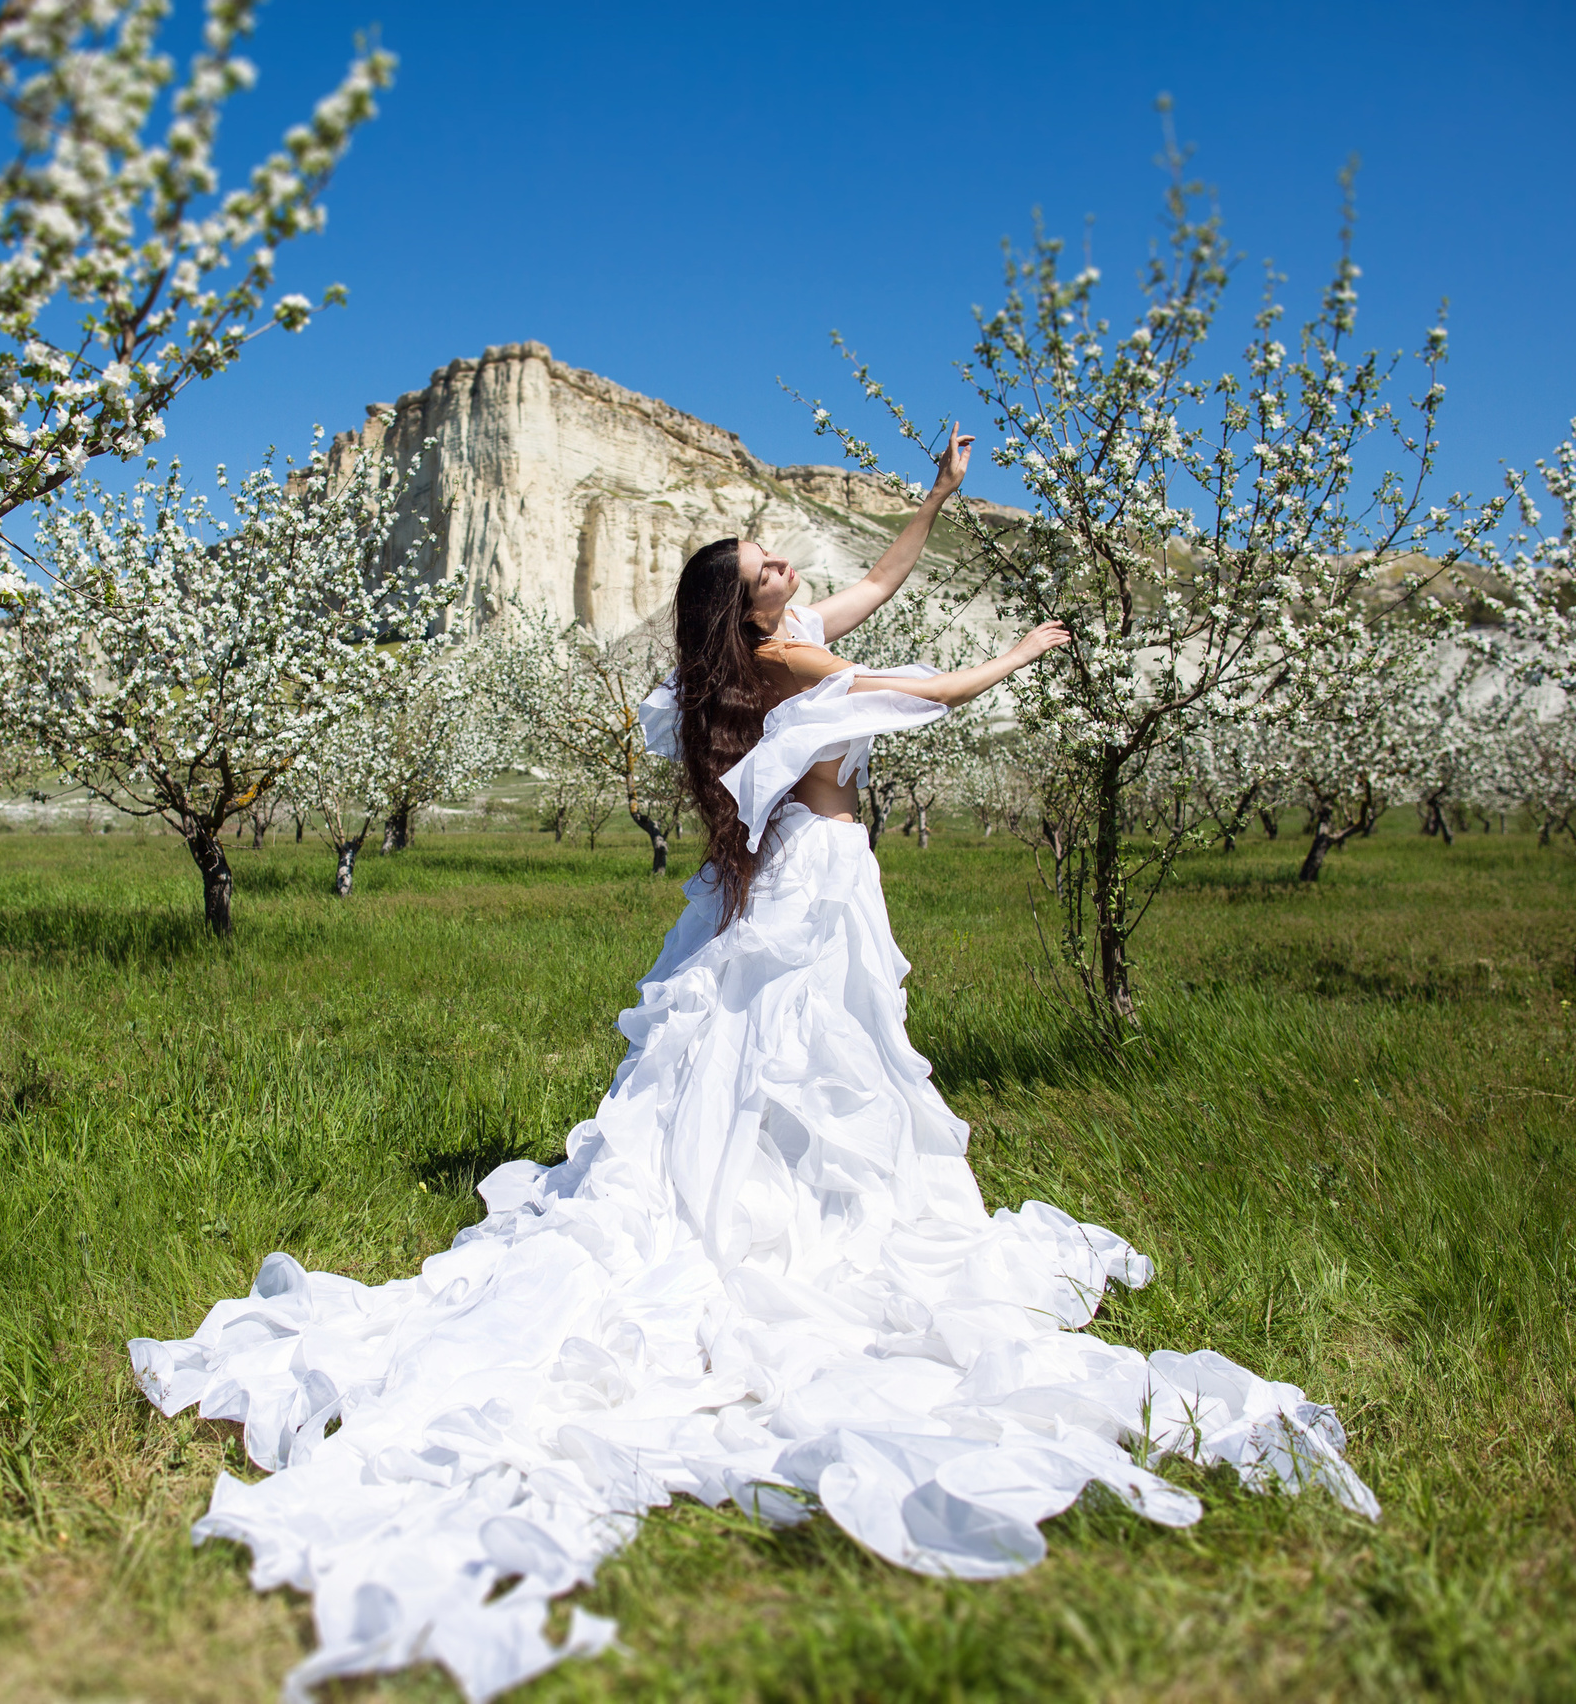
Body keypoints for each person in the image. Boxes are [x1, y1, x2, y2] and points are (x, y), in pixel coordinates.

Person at [129, 427, 1376, 1704]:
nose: (786, 563)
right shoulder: (781, 657)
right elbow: (925, 693)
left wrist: (936, 500)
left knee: (807, 1053)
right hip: (817, 873)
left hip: (815, 868)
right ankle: (780, 1216)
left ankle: (795, 1192)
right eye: (766, 563)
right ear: (747, 605)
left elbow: (879, 582)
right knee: (805, 1048)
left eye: (779, 554)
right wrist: (1017, 654)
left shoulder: (781, 640)